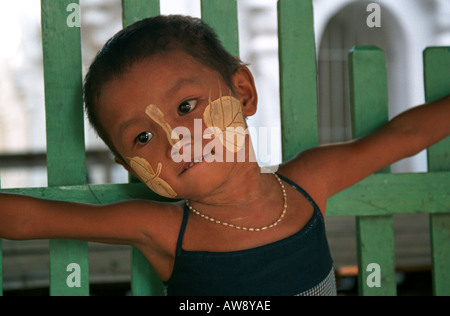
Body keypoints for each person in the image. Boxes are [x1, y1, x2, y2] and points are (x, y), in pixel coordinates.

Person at [0, 15, 449, 296]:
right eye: (141, 139)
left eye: (185, 107)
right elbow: (24, 220)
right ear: (128, 167)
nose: (175, 139)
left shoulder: (308, 183)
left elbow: (404, 134)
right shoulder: (161, 229)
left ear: (243, 92)